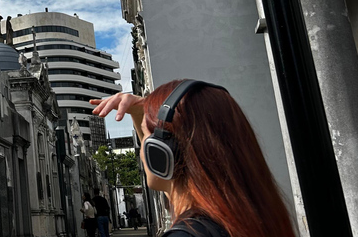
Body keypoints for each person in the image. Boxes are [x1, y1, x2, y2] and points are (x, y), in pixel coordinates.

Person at [90, 79, 296, 237]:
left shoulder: (188, 233)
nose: (144, 150)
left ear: (161, 152)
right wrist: (138, 114)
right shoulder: (251, 216)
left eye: (145, 138)